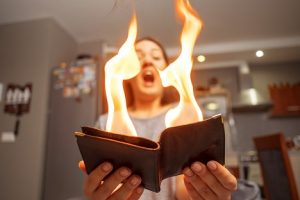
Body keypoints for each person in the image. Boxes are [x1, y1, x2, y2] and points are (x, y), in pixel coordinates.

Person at [78, 37, 237, 200]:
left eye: (155, 57)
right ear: (127, 72)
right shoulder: (106, 122)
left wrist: (205, 192)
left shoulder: (186, 116)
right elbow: (107, 185)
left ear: (166, 71)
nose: (147, 61)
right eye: (138, 57)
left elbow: (185, 189)